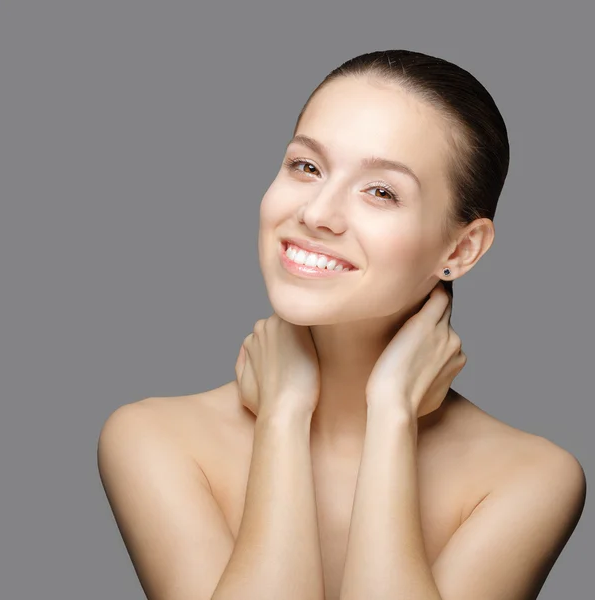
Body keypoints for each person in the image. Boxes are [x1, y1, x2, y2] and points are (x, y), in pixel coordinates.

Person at [97, 50, 586, 600]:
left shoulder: (528, 479)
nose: (316, 213)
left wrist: (391, 417)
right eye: (306, 166)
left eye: (381, 191)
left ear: (461, 247)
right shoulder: (155, 440)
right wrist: (282, 419)